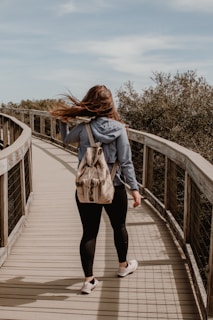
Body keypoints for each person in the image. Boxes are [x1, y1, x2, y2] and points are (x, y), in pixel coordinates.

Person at [50, 85, 141, 294]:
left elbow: (65, 140)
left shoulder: (84, 129)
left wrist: (62, 123)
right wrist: (134, 189)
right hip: (114, 187)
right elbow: (126, 162)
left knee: (89, 233)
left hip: (87, 189)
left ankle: (89, 280)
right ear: (110, 105)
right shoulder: (119, 129)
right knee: (119, 226)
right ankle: (122, 266)